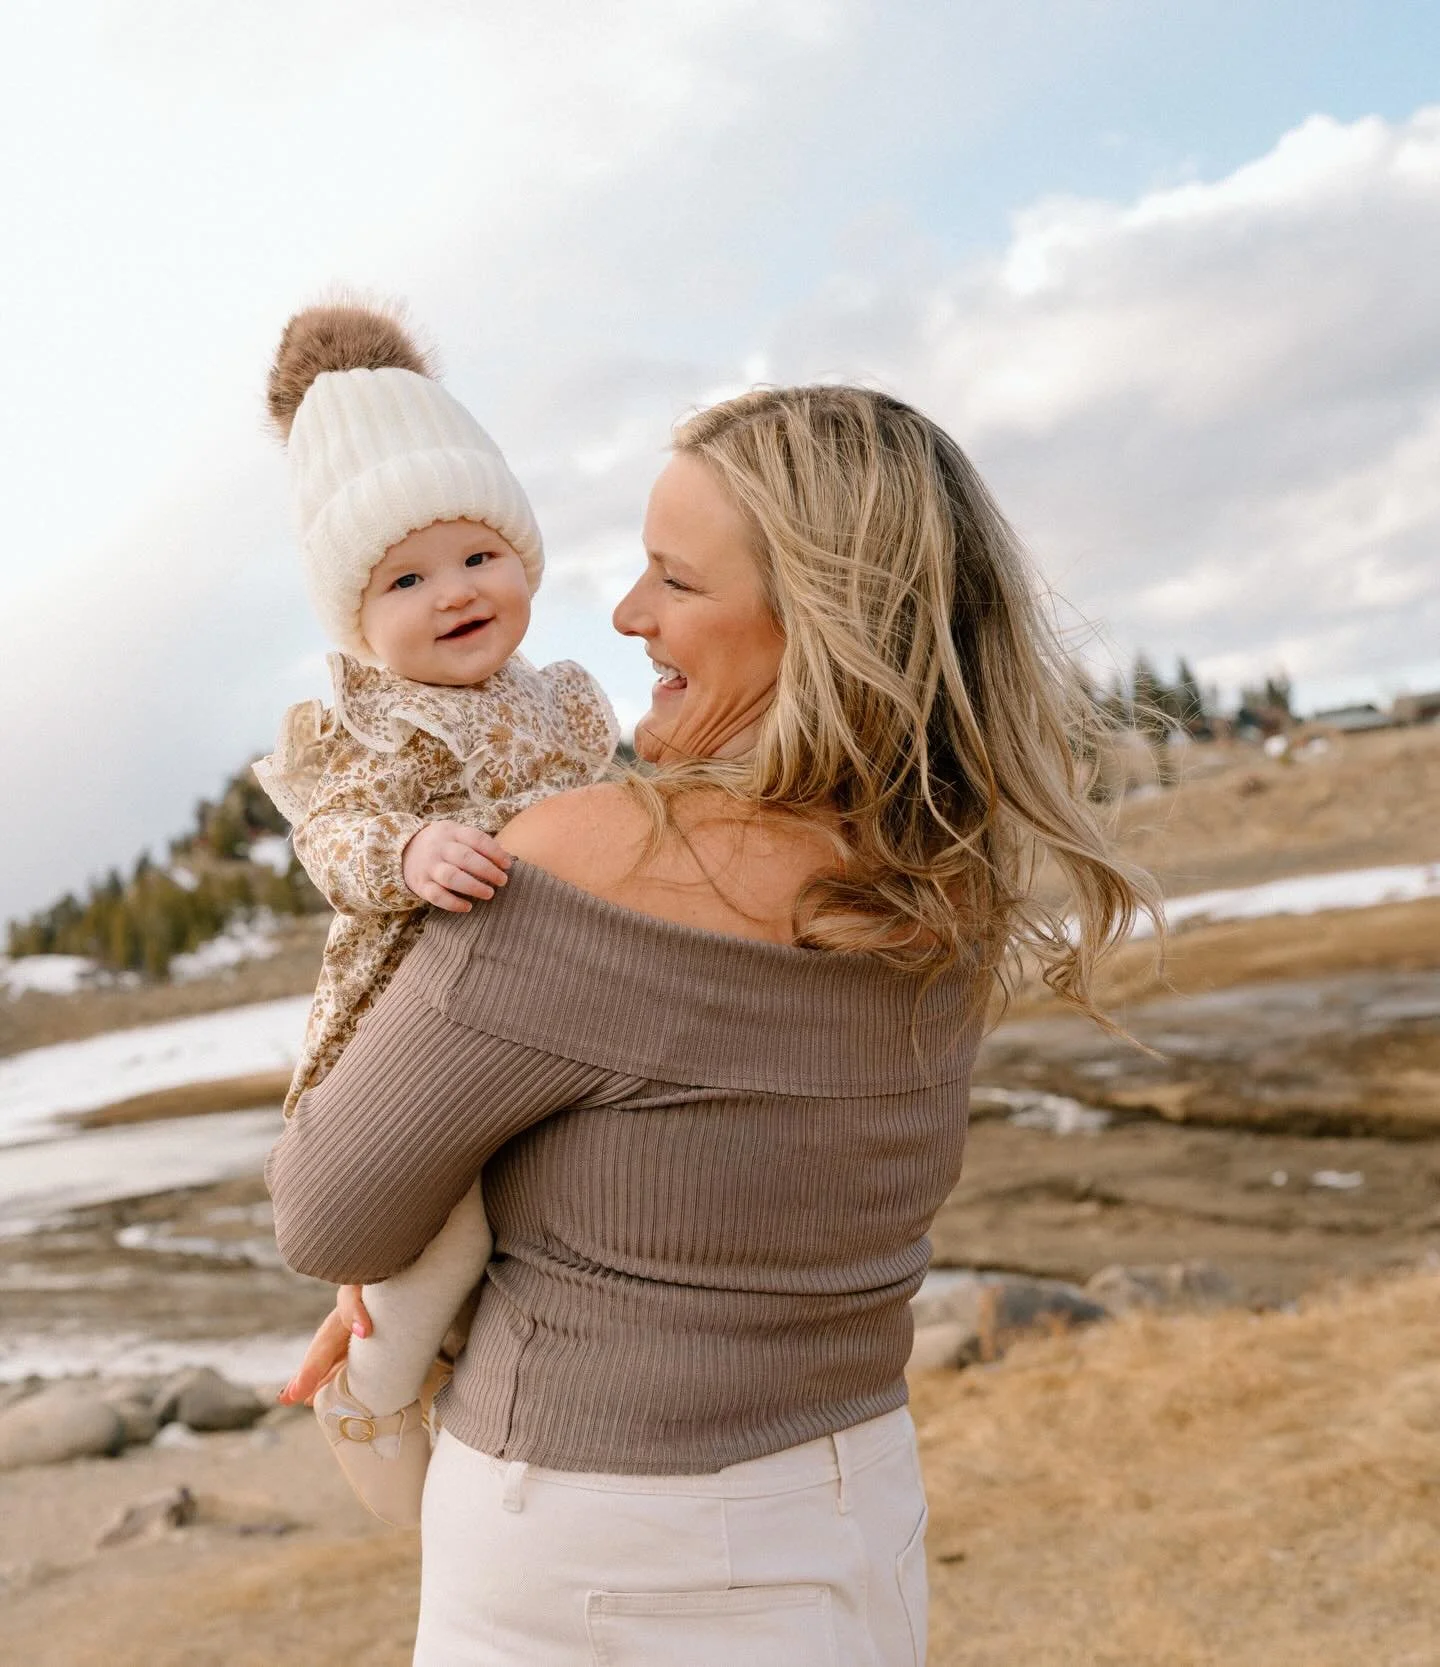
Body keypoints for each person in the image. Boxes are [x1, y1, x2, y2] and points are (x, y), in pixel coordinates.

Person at [268, 384, 1155, 1664]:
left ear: (818, 620)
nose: (626, 613)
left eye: (675, 579)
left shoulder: (588, 857)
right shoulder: (942, 879)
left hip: (605, 1543)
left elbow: (327, 1214)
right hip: (861, 1498)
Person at [254, 302, 617, 1526]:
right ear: (358, 622)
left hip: (553, 999)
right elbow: (330, 839)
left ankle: (467, 1383)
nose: (455, 593)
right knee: (444, 1230)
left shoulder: (561, 702)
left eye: (479, 557)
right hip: (411, 1005)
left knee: (538, 1204)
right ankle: (371, 1389)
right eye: (406, 579)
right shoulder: (371, 724)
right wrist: (408, 849)